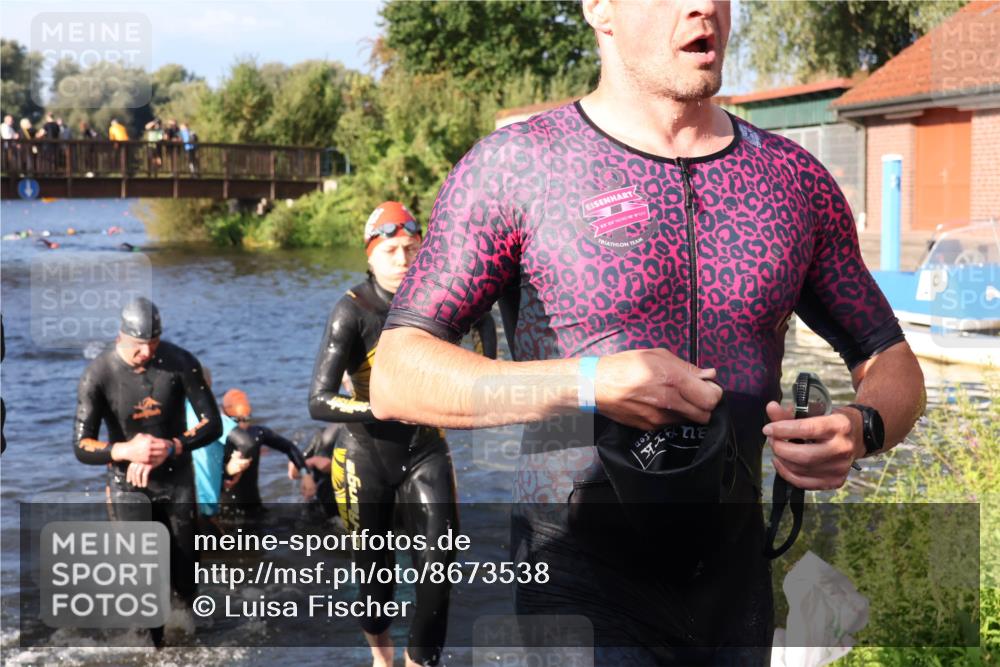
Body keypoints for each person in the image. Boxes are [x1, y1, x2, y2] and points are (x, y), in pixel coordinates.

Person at [368, 1, 925, 665]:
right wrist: (589, 382)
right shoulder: (518, 168)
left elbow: (893, 362)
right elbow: (398, 373)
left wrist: (860, 429)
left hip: (733, 584)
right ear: (599, 9)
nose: (703, 7)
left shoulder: (791, 181)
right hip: (575, 573)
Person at [309, 201, 498, 667]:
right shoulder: (351, 312)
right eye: (391, 249)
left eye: (411, 248)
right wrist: (380, 406)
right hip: (363, 457)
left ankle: (419, 663)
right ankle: (382, 658)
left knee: (440, 564)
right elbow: (318, 399)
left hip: (425, 450)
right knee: (375, 580)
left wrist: (483, 366)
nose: (402, 260)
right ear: (370, 255)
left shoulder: (441, 298)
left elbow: (483, 325)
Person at [73, 297, 222, 647]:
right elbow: (81, 445)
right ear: (120, 335)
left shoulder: (180, 362)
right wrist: (126, 450)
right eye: (139, 346)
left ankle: (185, 644)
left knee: (185, 572)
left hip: (176, 478)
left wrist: (170, 446)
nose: (147, 353)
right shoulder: (98, 374)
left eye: (153, 344)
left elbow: (212, 424)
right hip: (128, 485)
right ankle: (149, 650)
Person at [217, 388, 314, 514]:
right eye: (236, 421)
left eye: (246, 419)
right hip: (225, 510)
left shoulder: (257, 434)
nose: (242, 426)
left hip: (254, 506)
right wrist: (227, 471)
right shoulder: (215, 439)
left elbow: (289, 447)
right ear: (225, 416)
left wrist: (305, 474)